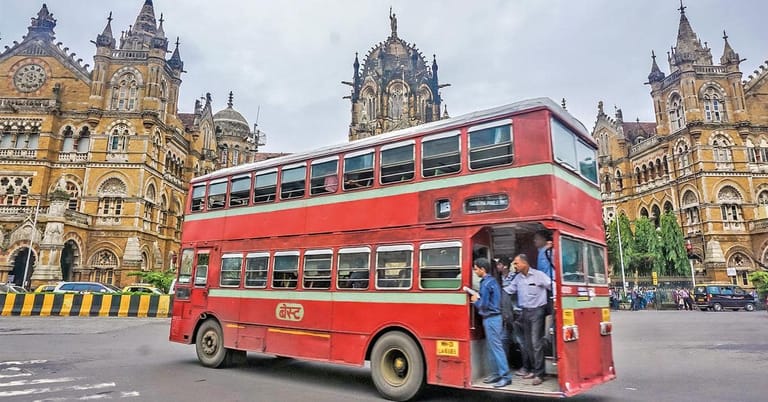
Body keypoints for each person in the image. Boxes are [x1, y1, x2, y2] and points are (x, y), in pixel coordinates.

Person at [503, 254, 551, 386]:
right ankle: (533, 370)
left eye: (517, 263)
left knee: (536, 343)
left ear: (524, 263)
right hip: (524, 312)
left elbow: (552, 286)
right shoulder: (518, 278)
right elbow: (508, 290)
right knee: (528, 343)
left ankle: (540, 374)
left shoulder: (538, 275)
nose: (515, 266)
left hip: (537, 312)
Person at [470, 258, 512, 388]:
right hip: (494, 318)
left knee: (496, 347)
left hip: (491, 318)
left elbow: (483, 304)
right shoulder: (492, 281)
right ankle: (496, 374)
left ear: (483, 269)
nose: (475, 271)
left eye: (476, 269)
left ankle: (505, 376)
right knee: (491, 347)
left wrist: (475, 300)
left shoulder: (486, 283)